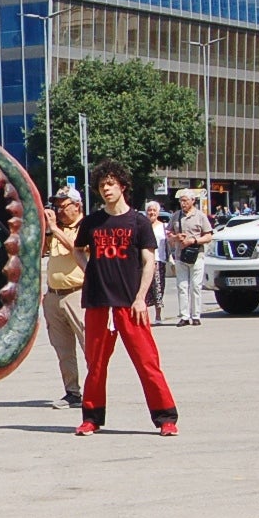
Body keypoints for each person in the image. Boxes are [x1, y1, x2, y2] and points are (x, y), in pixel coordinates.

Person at [72, 162, 179, 437]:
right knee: (95, 364)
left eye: (110, 184)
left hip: (130, 304)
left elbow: (149, 261)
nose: (106, 189)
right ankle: (91, 418)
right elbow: (78, 250)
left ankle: (166, 418)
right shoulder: (93, 222)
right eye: (101, 185)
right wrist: (90, 271)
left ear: (122, 186)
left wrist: (141, 298)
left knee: (147, 362)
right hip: (98, 302)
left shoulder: (138, 222)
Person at [41, 188, 86, 409]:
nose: (59, 210)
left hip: (77, 294)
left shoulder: (85, 227)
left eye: (63, 205)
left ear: (77, 206)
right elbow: (41, 252)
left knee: (90, 346)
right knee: (63, 349)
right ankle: (72, 392)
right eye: (56, 206)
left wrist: (55, 229)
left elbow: (76, 247)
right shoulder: (56, 230)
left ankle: (96, 391)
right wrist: (47, 232)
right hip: (54, 295)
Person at [168, 189, 213, 326]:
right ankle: (184, 316)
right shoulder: (176, 216)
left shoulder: (200, 216)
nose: (183, 203)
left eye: (185, 200)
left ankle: (196, 315)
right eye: (181, 201)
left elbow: (208, 236)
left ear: (193, 201)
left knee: (195, 286)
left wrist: (193, 241)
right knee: (182, 286)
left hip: (196, 255)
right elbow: (168, 233)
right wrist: (176, 237)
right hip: (180, 255)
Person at [143, 200, 168, 324]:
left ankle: (158, 316)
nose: (151, 212)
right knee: (144, 288)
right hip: (144, 261)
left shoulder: (164, 227)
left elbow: (169, 243)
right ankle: (144, 316)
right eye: (149, 210)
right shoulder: (142, 226)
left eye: (154, 210)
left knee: (158, 288)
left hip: (159, 260)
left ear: (158, 212)